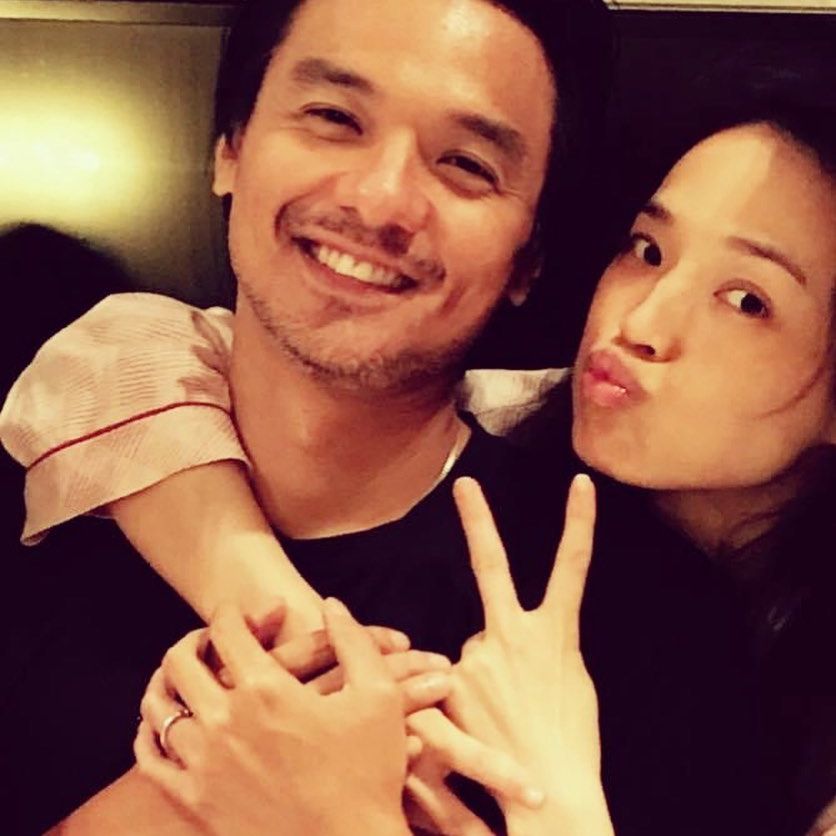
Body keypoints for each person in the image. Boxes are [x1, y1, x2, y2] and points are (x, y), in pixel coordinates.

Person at [6, 77, 836, 835]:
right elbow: (118, 351)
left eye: (747, 300)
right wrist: (306, 652)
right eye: (647, 250)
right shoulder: (525, 440)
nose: (641, 323)